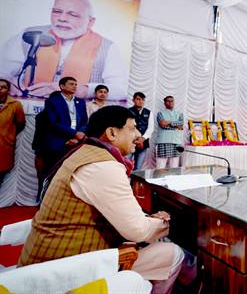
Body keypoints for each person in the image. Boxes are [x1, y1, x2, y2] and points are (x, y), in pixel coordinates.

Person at [18, 106, 184, 294]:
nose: (138, 135)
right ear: (112, 133)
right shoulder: (103, 165)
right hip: (60, 276)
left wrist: (148, 221)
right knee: (172, 253)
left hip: (44, 263)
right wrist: (169, 224)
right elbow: (138, 231)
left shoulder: (84, 152)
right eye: (132, 128)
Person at [0, 0, 128, 100]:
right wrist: (7, 82)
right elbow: (3, 71)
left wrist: (80, 91)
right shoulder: (30, 35)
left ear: (90, 22)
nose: (62, 18)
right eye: (57, 12)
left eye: (73, 15)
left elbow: (121, 90)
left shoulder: (107, 47)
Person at [34, 76, 87, 199]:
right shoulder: (53, 101)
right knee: (50, 173)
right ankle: (44, 200)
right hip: (57, 143)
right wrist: (73, 134)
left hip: (76, 143)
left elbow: (84, 122)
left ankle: (61, 201)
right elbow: (53, 123)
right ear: (62, 86)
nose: (75, 86)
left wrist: (78, 136)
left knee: (69, 174)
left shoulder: (80, 102)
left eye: (76, 84)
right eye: (71, 84)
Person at [0, 79, 26, 187]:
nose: (0, 89)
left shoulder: (15, 104)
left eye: (3, 87)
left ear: (8, 90)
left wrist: (8, 134)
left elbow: (20, 123)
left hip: (4, 146)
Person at [155, 96, 184, 169]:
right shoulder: (160, 113)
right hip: (163, 141)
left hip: (176, 142)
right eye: (168, 101)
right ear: (164, 103)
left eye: (172, 101)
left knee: (174, 167)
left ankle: (172, 178)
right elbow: (162, 124)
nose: (170, 102)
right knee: (160, 167)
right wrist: (175, 125)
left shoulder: (179, 114)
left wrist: (168, 123)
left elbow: (181, 125)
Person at [129, 92, 151, 170]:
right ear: (133, 100)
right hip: (130, 142)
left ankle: (135, 179)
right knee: (126, 166)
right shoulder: (127, 111)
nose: (141, 101)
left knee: (138, 168)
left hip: (143, 143)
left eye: (143, 99)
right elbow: (126, 128)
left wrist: (142, 139)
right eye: (138, 99)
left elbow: (150, 128)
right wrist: (136, 140)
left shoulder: (148, 112)